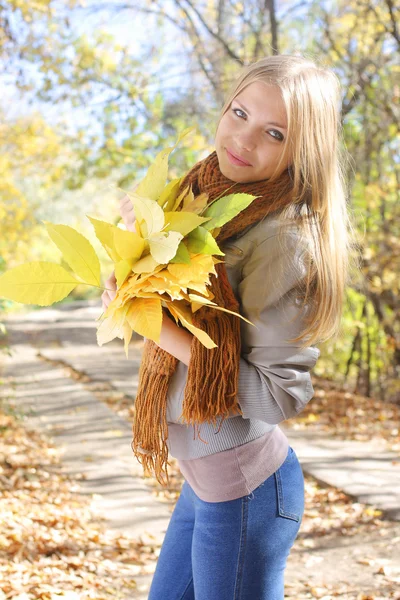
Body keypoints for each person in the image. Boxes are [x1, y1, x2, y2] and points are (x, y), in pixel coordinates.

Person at [102, 55, 353, 600]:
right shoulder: (204, 198)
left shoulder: (285, 239)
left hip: (248, 496)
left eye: (273, 132)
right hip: (207, 487)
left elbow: (277, 394)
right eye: (239, 112)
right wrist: (131, 257)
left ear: (302, 151)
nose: (242, 139)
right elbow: (156, 298)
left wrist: (160, 328)